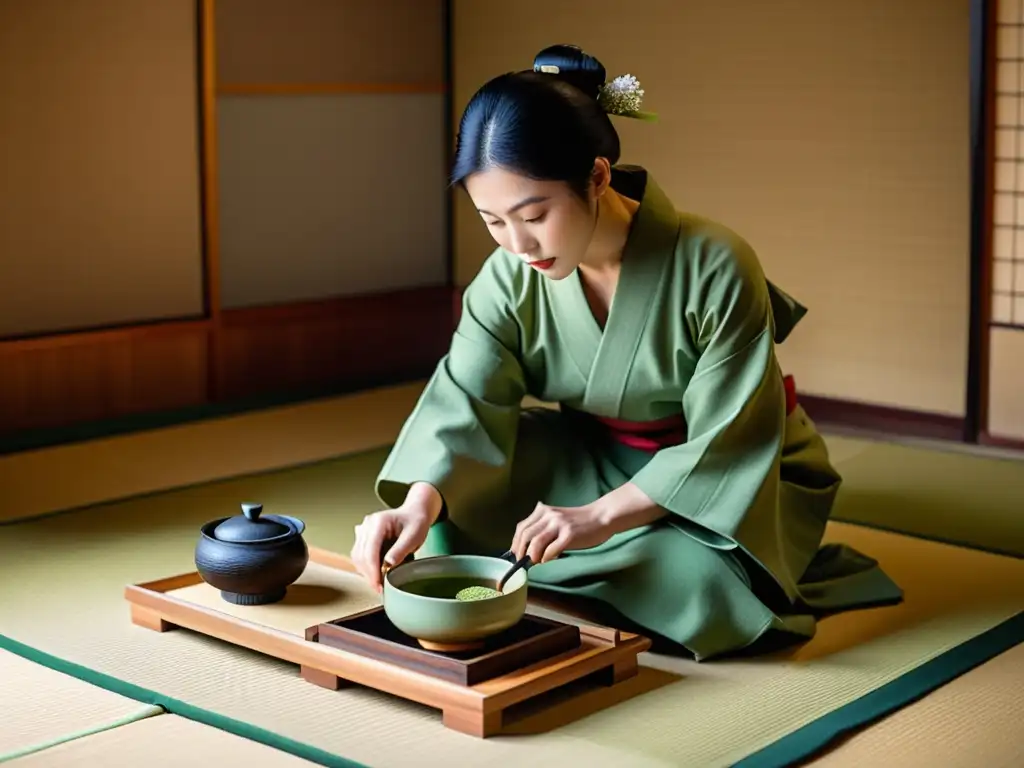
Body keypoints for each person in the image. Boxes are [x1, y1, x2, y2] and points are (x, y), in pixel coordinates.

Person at [350, 44, 902, 661]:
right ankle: (597, 568)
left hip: (721, 474)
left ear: (597, 176)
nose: (517, 243)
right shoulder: (507, 279)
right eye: (493, 222)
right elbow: (466, 401)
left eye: (533, 214)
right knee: (449, 520)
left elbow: (731, 439)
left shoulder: (715, 264)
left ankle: (621, 566)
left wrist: (598, 519)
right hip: (593, 456)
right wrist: (416, 504)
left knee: (701, 585)